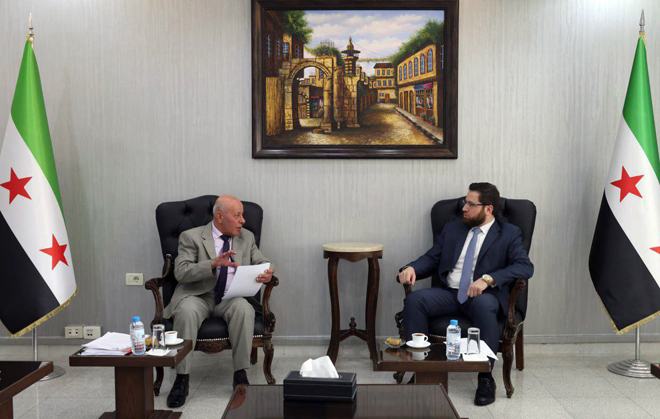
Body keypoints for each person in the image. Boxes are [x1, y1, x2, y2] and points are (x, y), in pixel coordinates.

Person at [398, 183, 533, 406]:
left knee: (482, 305)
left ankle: (485, 377)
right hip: (449, 294)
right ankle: (422, 370)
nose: (464, 208)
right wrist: (411, 268)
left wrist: (488, 279)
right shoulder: (453, 228)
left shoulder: (508, 233)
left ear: (488, 208)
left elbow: (524, 267)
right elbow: (431, 257)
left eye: (470, 204)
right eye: (464, 203)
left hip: (483, 297)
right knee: (415, 300)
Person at [163, 195, 274, 408]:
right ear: (220, 216)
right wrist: (212, 264)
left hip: (230, 296)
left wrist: (267, 272)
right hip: (197, 296)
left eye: (243, 215)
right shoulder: (191, 237)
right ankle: (181, 379)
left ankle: (240, 374)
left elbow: (263, 261)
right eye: (238, 215)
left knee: (244, 309)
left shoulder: (246, 237)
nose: (243, 220)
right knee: (186, 312)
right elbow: (181, 272)